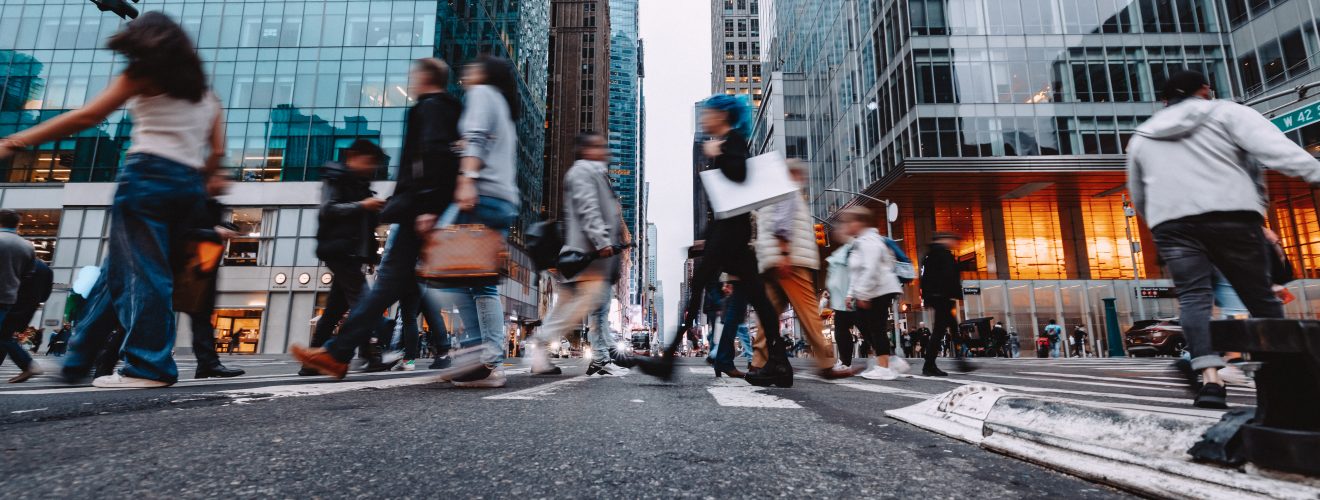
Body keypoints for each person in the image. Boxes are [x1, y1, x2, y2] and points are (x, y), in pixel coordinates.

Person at [0, 13, 222, 388]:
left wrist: (14, 141)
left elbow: (88, 116)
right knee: (115, 277)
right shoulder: (206, 94)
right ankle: (78, 360)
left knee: (147, 276)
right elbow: (215, 155)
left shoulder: (144, 74)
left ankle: (150, 367)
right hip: (188, 186)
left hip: (148, 176)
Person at [1127, 70, 1320, 408]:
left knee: (1193, 299)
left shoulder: (1142, 137)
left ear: (1164, 101)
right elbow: (1274, 150)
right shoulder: (1228, 112)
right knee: (1260, 297)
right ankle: (1284, 378)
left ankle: (1210, 380)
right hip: (1231, 215)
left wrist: (1158, 222)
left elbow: (1139, 193)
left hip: (1173, 225)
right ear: (1205, 90)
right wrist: (1314, 173)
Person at [292, 57, 463, 380]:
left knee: (393, 289)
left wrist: (426, 207)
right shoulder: (446, 109)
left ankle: (341, 354)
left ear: (426, 78)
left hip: (419, 211)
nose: (411, 82)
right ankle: (341, 353)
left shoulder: (431, 109)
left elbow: (431, 158)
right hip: (421, 209)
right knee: (390, 290)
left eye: (414, 76)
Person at [636, 94, 792, 388]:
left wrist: (716, 151)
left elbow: (739, 174)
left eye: (709, 113)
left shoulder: (731, 140)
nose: (704, 118)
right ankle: (779, 363)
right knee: (755, 297)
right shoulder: (728, 141)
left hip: (731, 234)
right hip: (729, 233)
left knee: (700, 293)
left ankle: (668, 360)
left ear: (722, 115)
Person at [527, 132, 631, 377]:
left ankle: (593, 359)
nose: (605, 150)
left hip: (590, 260)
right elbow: (588, 208)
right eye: (599, 146)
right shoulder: (583, 172)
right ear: (586, 150)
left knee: (580, 309)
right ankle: (541, 346)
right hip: (587, 258)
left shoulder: (595, 173)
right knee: (574, 311)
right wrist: (602, 241)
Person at [754, 159, 855, 379]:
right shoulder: (787, 190)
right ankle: (827, 363)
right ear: (793, 174)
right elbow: (782, 223)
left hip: (773, 262)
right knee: (810, 313)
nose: (804, 179)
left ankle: (758, 361)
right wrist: (784, 254)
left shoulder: (770, 194)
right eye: (801, 175)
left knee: (769, 316)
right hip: (791, 261)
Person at [300, 139, 387, 376]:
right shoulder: (336, 177)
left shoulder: (360, 184)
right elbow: (328, 209)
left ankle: (312, 360)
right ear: (353, 156)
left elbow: (362, 222)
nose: (371, 168)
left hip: (351, 252)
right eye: (368, 162)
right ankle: (367, 354)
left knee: (335, 309)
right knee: (364, 303)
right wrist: (363, 206)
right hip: (339, 249)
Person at [176, 170, 245, 379]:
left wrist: (223, 228)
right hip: (184, 265)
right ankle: (106, 360)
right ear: (209, 178)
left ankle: (208, 363)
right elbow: (180, 231)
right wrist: (214, 232)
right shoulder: (190, 200)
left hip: (203, 267)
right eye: (222, 178)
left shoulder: (213, 205)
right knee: (155, 311)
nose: (227, 183)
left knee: (202, 317)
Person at [838, 207, 906, 381]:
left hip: (880, 289)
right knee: (866, 325)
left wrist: (863, 294)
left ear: (859, 223)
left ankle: (885, 367)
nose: (845, 226)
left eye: (848, 222)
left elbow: (870, 269)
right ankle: (889, 360)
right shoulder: (860, 241)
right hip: (871, 289)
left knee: (876, 328)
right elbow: (856, 272)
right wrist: (850, 293)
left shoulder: (870, 241)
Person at [0, 210, 41, 383]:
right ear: (17, 224)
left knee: (3, 336)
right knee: (3, 335)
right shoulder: (27, 246)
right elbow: (29, 274)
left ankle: (28, 364)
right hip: (9, 296)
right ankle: (28, 364)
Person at [919, 233, 961, 377]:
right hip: (942, 297)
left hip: (938, 297)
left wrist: (926, 297)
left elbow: (924, 278)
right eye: (952, 239)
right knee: (939, 331)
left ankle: (961, 361)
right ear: (944, 239)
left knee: (952, 328)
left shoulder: (930, 255)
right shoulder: (942, 254)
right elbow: (949, 277)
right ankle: (929, 364)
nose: (954, 242)